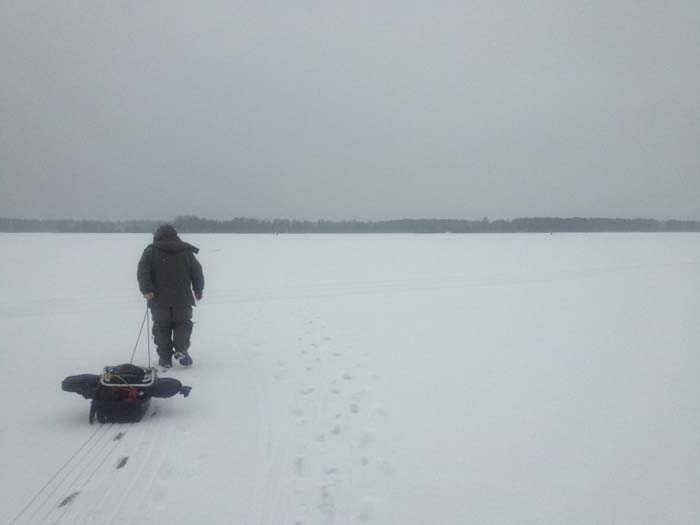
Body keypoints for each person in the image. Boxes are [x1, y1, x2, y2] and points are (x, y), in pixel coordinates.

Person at [137, 224, 204, 367]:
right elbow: (197, 271)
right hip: (183, 299)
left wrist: (146, 290)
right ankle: (181, 349)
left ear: (157, 235)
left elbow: (142, 272)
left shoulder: (150, 251)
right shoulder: (186, 251)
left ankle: (165, 358)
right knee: (183, 324)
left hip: (159, 299)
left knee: (162, 327)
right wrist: (198, 290)